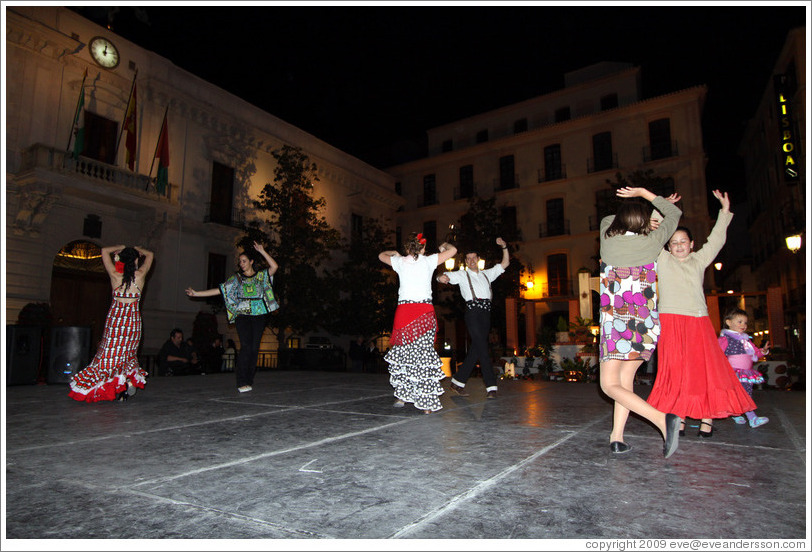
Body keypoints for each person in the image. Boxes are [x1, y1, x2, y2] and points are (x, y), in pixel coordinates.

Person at [647, 190, 756, 438]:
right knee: (676, 371)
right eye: (673, 242)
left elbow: (717, 239)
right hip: (671, 321)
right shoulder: (662, 260)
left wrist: (725, 211)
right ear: (669, 246)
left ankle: (707, 418)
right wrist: (661, 208)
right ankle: (679, 416)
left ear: (691, 244)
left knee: (703, 369)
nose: (678, 245)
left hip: (698, 321)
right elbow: (653, 234)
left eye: (683, 241)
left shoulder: (699, 259)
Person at [598, 187, 683, 458]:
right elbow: (676, 213)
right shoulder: (654, 241)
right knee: (624, 383)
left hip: (616, 325)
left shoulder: (606, 236)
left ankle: (662, 420)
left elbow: (612, 219)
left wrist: (645, 213)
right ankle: (617, 437)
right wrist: (649, 198)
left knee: (608, 385)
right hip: (645, 325)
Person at [379, 232, 457, 413]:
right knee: (423, 355)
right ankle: (427, 405)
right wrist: (444, 245)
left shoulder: (400, 262)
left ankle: (401, 397)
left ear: (407, 248)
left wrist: (395, 253)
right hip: (424, 312)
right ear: (422, 248)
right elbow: (453, 250)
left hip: (404, 312)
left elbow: (381, 256)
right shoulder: (429, 260)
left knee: (403, 355)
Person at [186, 241, 278, 393]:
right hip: (243, 315)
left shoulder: (261, 276)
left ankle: (249, 379)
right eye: (240, 261)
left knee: (254, 349)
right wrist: (197, 294)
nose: (241, 264)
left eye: (244, 261)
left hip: (259, 314)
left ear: (251, 262)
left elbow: (274, 267)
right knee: (246, 346)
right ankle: (241, 381)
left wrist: (262, 251)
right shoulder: (237, 279)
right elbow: (219, 290)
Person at [68, 245, 154, 402]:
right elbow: (151, 254)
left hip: (116, 320)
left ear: (120, 260)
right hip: (132, 322)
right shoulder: (140, 275)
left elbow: (104, 251)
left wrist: (120, 248)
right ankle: (126, 383)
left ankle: (114, 385)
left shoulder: (115, 275)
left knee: (108, 354)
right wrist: (137, 249)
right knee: (127, 355)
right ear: (136, 260)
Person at [437, 237, 510, 399]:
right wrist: (440, 278)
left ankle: (457, 382)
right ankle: (491, 386)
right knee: (483, 348)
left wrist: (504, 247)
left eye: (473, 258)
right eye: (468, 259)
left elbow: (505, 264)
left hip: (486, 314)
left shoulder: (487, 274)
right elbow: (443, 275)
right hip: (472, 313)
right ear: (466, 261)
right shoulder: (462, 275)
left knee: (477, 348)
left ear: (478, 260)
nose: (471, 261)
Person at [719, 307, 770, 428]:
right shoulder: (725, 339)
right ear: (728, 322)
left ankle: (736, 414)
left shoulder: (746, 340)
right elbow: (717, 354)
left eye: (745, 322)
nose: (744, 325)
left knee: (745, 394)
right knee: (743, 394)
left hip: (746, 373)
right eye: (740, 321)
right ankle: (752, 418)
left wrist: (763, 351)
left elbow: (755, 352)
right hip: (733, 373)